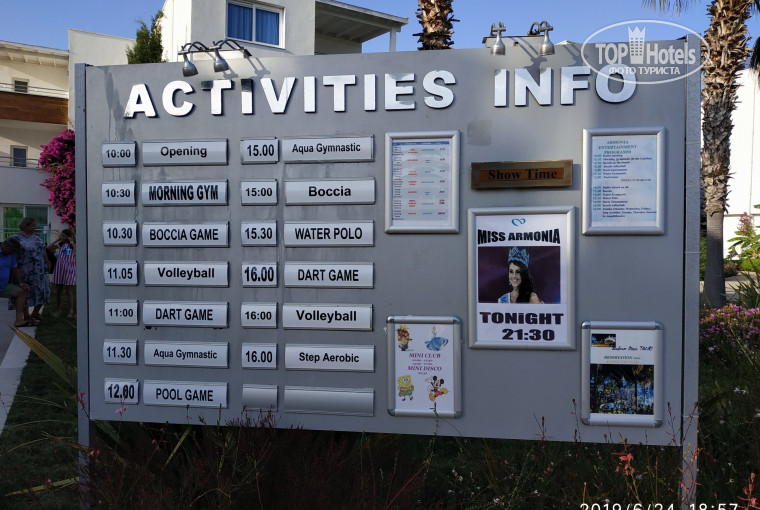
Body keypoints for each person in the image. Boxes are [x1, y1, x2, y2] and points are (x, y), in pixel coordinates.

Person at [13, 217, 50, 323]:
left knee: (43, 291)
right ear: (25, 225)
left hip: (40, 270)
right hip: (25, 271)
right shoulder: (16, 238)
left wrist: (47, 261)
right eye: (33, 225)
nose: (35, 227)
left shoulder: (37, 237)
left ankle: (36, 312)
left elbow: (43, 251)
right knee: (27, 293)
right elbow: (12, 255)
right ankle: (26, 314)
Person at [0, 237, 32, 327]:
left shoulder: (11, 255)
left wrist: (21, 283)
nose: (13, 252)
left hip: (3, 286)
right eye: (12, 250)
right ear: (5, 245)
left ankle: (19, 320)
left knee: (22, 291)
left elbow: (15, 269)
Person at [48, 229, 76, 318]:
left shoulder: (72, 245)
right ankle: (58, 309)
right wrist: (57, 240)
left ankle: (71, 310)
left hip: (69, 269)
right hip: (60, 269)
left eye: (63, 236)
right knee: (58, 291)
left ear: (69, 236)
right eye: (61, 235)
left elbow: (76, 251)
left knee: (68, 291)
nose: (61, 237)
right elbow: (49, 248)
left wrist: (72, 241)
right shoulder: (61, 245)